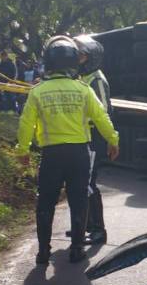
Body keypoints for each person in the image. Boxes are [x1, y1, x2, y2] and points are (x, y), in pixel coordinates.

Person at [18, 36, 120, 265]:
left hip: (51, 155)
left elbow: (26, 124)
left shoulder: (38, 91)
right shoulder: (82, 89)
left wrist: (22, 151)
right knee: (78, 200)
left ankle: (43, 251)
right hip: (79, 154)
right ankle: (76, 249)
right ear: (74, 62)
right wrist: (113, 141)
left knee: (45, 202)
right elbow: (102, 117)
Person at [77, 37, 111, 245]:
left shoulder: (95, 80)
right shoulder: (83, 77)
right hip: (84, 136)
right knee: (80, 181)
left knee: (88, 183)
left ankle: (98, 230)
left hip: (93, 136)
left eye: (80, 56)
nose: (76, 59)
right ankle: (86, 226)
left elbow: (102, 111)